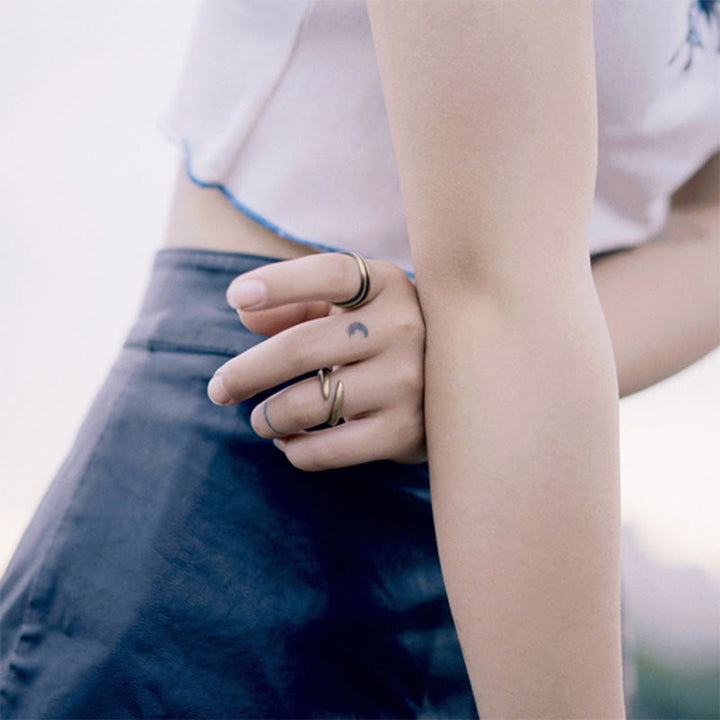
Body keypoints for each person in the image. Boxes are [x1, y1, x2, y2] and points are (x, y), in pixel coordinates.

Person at [1, 1, 718, 718]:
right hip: (259, 478)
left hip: (539, 503)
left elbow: (702, 227)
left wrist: (449, 372)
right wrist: (484, 355)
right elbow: (502, 294)